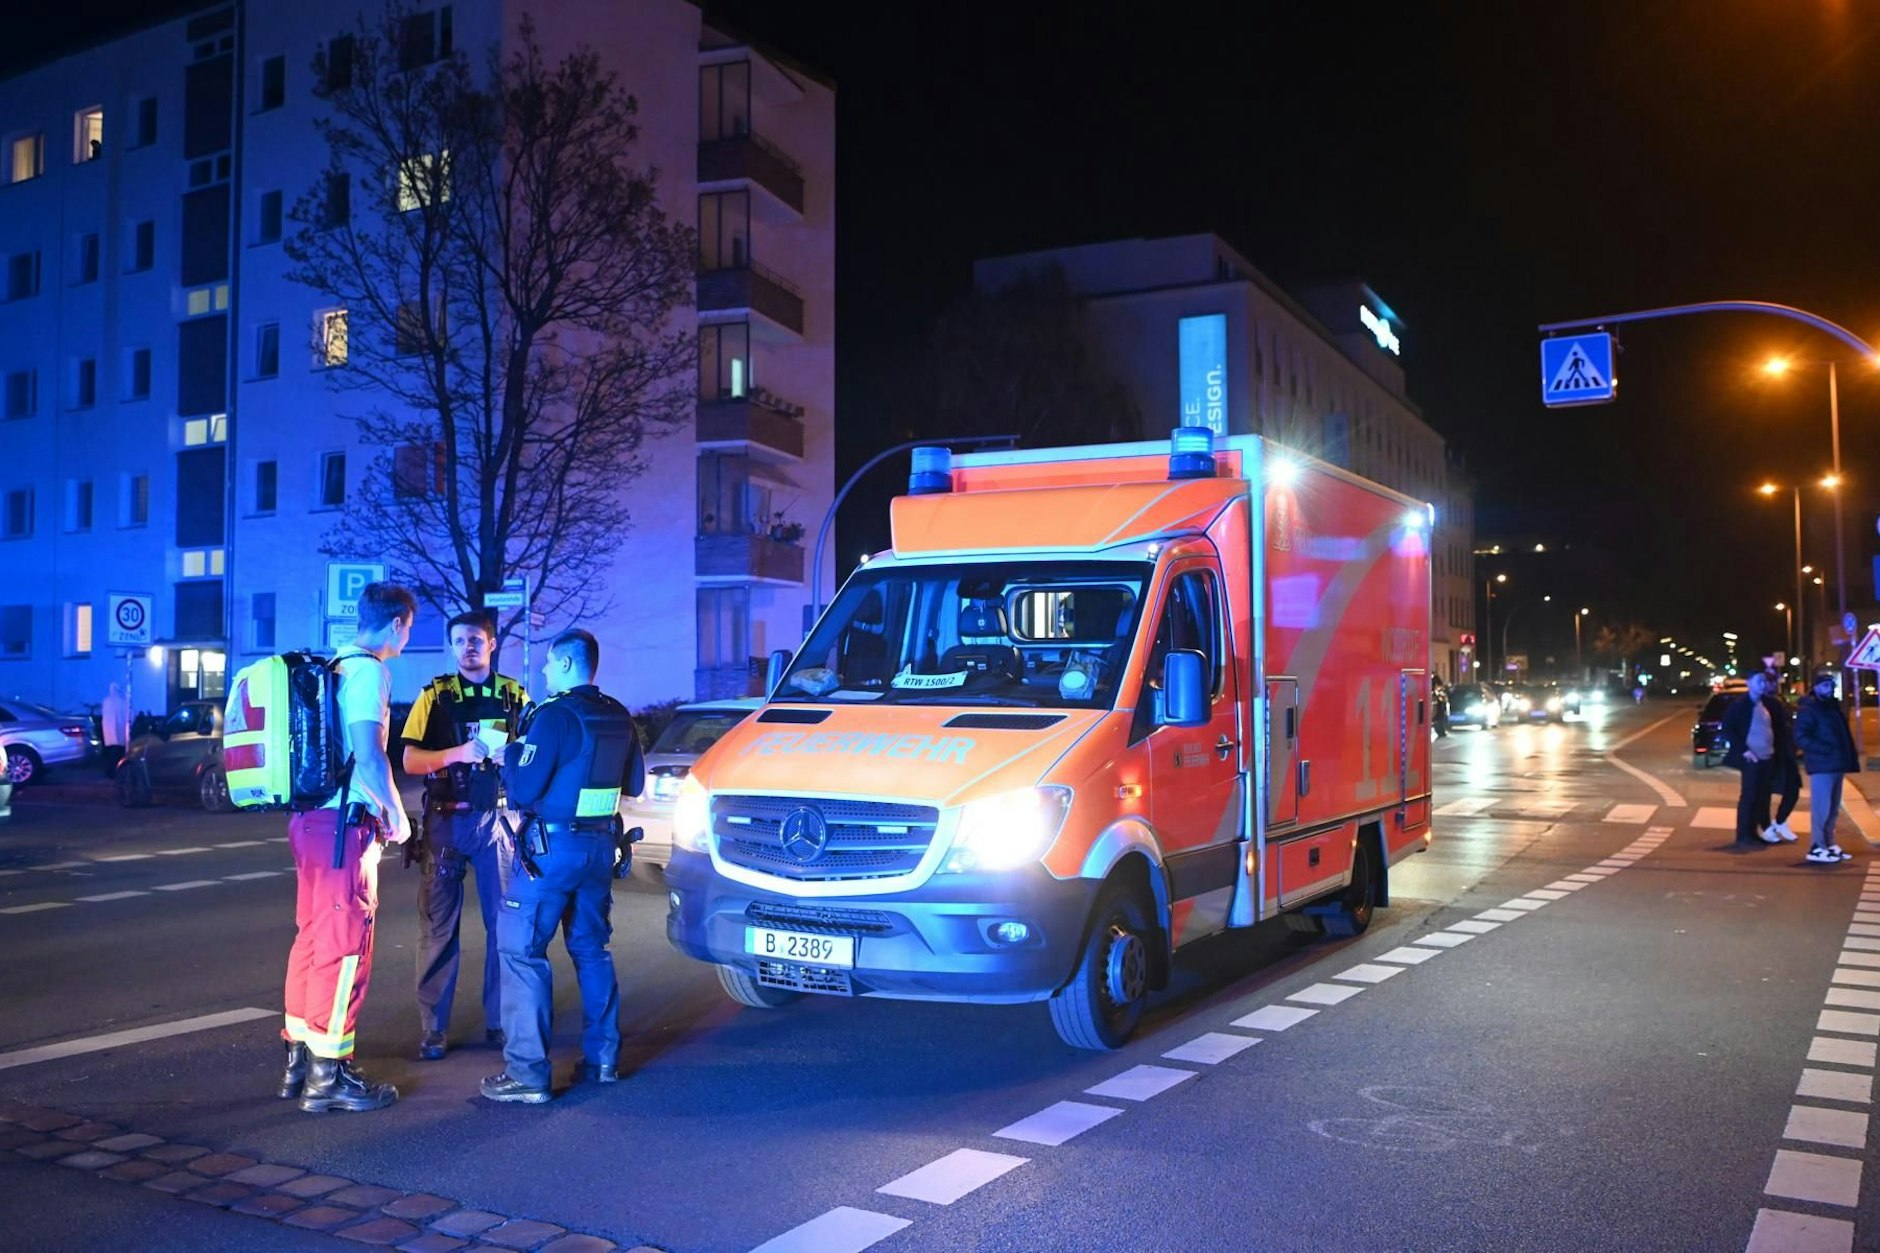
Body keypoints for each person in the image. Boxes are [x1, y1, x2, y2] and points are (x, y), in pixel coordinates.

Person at [482, 628, 644, 1104]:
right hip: (598, 850)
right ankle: (603, 1060)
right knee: (592, 951)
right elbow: (632, 784)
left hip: (549, 854)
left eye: (550, 664)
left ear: (569, 664)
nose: (545, 672)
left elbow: (526, 790)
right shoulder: (618, 715)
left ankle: (528, 1074)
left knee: (523, 952)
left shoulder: (553, 717)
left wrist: (507, 755)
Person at [277, 582, 416, 1114]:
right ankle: (329, 1077)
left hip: (310, 820)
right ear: (398, 623)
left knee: (312, 939)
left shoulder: (331, 665)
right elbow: (369, 754)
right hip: (344, 826)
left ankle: (298, 1061)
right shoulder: (368, 671)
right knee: (344, 947)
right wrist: (398, 819)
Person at [401, 611, 530, 1061]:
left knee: (505, 926)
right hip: (446, 821)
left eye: (475, 639)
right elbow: (410, 761)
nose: (467, 647)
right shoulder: (435, 695)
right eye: (459, 641)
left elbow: (533, 756)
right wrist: (458, 753)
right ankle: (433, 1028)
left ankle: (500, 1021)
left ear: (491, 644)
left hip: (497, 821)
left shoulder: (514, 695)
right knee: (438, 927)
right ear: (452, 647)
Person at [1722, 670, 1795, 851]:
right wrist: (1744, 751)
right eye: (1758, 682)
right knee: (1749, 796)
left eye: (1763, 682)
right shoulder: (1740, 705)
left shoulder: (1765, 704)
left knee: (1763, 797)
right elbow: (1728, 729)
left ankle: (1754, 833)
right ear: (1749, 683)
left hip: (1767, 757)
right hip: (1752, 759)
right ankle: (1743, 835)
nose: (1762, 685)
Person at [1795, 666, 1861, 864]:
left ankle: (1829, 844)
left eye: (1831, 685)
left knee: (1832, 808)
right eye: (1824, 685)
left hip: (1835, 764)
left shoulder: (1832, 708)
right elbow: (1800, 736)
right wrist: (1824, 749)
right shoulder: (1809, 709)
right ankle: (1816, 847)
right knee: (1821, 808)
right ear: (1815, 688)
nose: (1829, 688)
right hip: (1822, 765)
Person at [100, 681, 130, 775]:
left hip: (108, 733)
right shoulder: (123, 701)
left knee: (110, 753)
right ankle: (117, 772)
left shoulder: (106, 701)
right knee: (118, 753)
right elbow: (130, 714)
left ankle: (109, 772)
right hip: (120, 731)